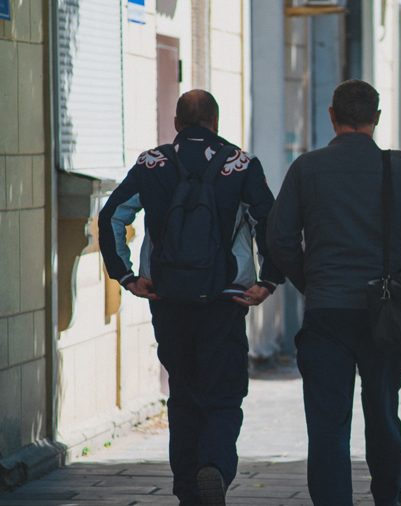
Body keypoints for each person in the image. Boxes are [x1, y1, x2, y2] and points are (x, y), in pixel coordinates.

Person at [267, 79, 401, 506]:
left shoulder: (306, 168)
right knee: (383, 411)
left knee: (327, 422)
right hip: (385, 313)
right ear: (377, 118)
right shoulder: (399, 167)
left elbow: (279, 239)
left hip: (326, 310)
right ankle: (389, 496)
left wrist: (310, 280)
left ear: (332, 115)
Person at [98, 89, 284, 506]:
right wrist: (268, 280)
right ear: (215, 122)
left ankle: (188, 492)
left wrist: (126, 275)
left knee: (182, 396)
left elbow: (112, 217)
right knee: (224, 395)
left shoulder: (152, 163)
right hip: (225, 300)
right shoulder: (241, 164)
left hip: (168, 298)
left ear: (177, 124)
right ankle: (214, 466)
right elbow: (269, 223)